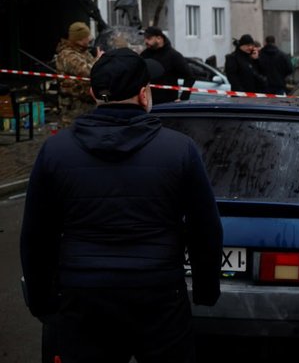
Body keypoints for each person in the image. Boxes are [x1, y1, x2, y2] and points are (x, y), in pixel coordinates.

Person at [20, 47, 223, 363]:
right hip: (158, 295)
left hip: (83, 296)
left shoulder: (55, 151)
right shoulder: (180, 150)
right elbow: (205, 228)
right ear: (144, 95)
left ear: (91, 93)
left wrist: (42, 300)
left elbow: (37, 235)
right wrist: (205, 289)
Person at [54, 21, 102, 125]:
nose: (89, 39)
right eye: (86, 37)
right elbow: (87, 71)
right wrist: (98, 60)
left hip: (87, 104)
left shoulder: (84, 52)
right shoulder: (67, 55)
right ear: (79, 39)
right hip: (73, 108)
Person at [140, 26, 195, 104]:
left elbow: (190, 77)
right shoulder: (145, 55)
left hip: (167, 104)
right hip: (147, 103)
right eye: (145, 38)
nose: (145, 41)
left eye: (149, 38)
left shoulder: (173, 55)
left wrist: (183, 98)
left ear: (159, 38)